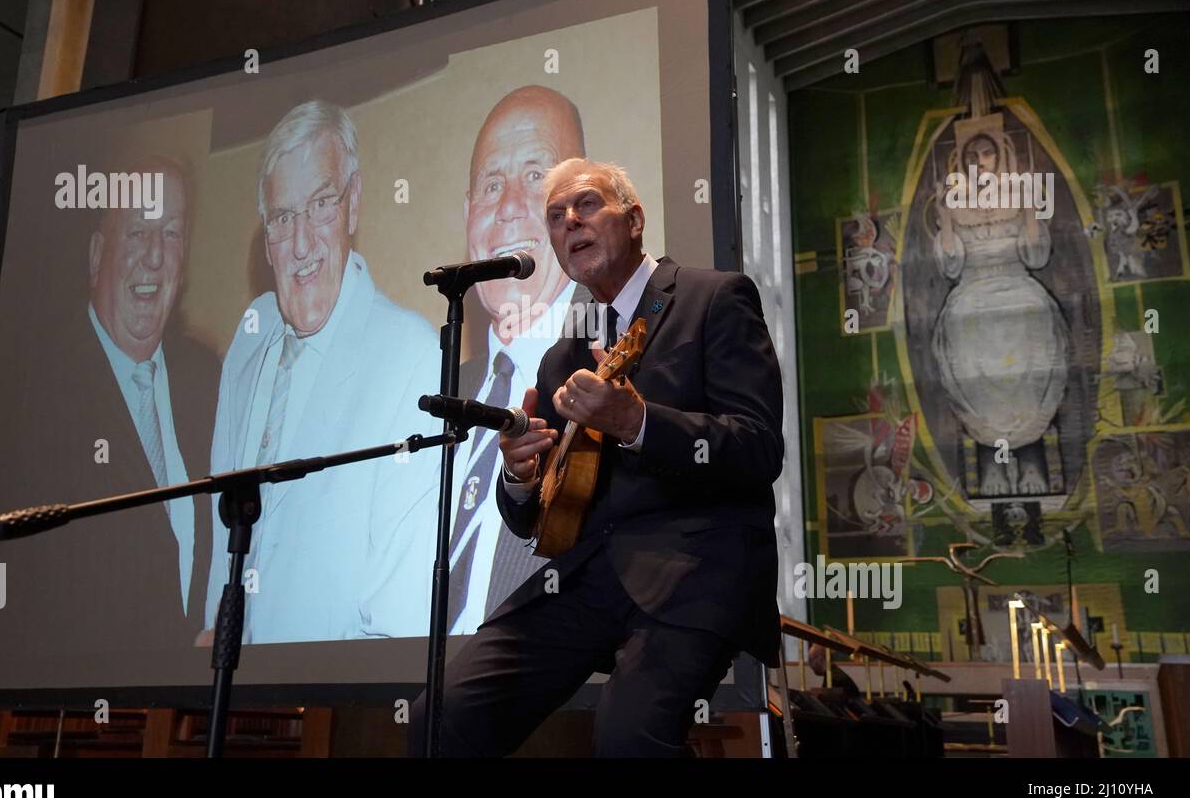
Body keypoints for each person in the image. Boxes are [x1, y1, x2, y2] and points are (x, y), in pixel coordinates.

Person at [410, 158, 784, 756]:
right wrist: (520, 476)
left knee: (627, 739)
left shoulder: (714, 298)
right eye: (555, 217)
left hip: (692, 569)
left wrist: (637, 423)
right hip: (581, 580)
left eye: (586, 205)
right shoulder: (562, 357)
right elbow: (541, 520)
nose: (568, 223)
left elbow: (759, 447)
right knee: (441, 719)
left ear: (634, 219)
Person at [205, 100, 440, 644]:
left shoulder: (411, 354)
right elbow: (222, 542)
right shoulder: (249, 338)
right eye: (284, 218)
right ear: (265, 234)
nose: (302, 244)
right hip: (222, 684)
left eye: (321, 205)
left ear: (354, 203)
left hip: (324, 700)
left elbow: (396, 615)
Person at [13, 156, 218, 654]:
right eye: (137, 233)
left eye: (170, 234)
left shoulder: (211, 382)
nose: (154, 257)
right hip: (69, 710)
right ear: (96, 254)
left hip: (186, 714)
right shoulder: (33, 392)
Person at [446, 85, 591, 634]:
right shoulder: (439, 389)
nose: (507, 207)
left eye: (535, 176)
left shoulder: (616, 371)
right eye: (490, 184)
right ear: (467, 216)